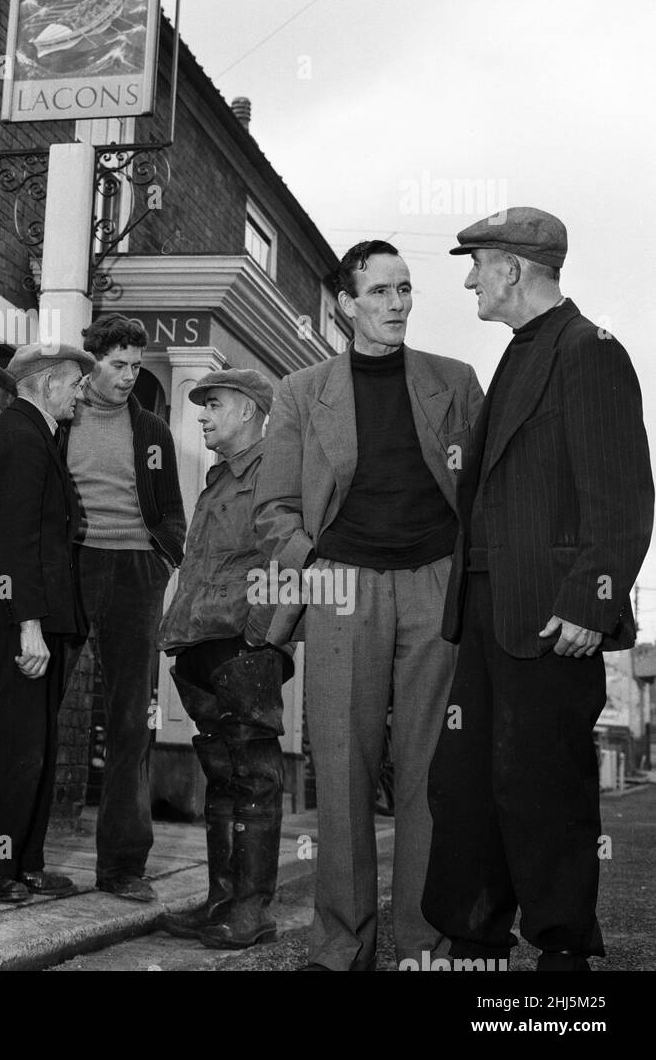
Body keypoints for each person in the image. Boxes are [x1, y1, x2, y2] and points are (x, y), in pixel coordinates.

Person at [423, 208, 653, 972]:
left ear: (513, 270)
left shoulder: (589, 350)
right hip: (487, 611)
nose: (469, 279)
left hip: (553, 616)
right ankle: (473, 938)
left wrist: (590, 601)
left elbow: (621, 493)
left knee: (543, 787)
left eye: (477, 264)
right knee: (465, 782)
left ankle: (563, 954)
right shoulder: (522, 354)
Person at [254, 240, 482, 971]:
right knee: (345, 773)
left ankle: (425, 945)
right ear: (346, 304)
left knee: (431, 775)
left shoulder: (456, 381)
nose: (396, 305)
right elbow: (275, 510)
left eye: (405, 290)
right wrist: (312, 566)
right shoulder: (300, 391)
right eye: (380, 292)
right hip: (342, 587)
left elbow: (485, 494)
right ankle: (340, 949)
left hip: (435, 585)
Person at [0, 342, 94, 903]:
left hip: (35, 615)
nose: (82, 393)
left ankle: (21, 862)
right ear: (45, 383)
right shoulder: (19, 437)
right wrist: (28, 625)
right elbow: (14, 540)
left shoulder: (38, 436)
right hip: (19, 618)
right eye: (75, 384)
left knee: (35, 740)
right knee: (15, 741)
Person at [158, 369, 292, 949]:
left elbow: (284, 555)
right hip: (204, 646)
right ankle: (222, 900)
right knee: (222, 779)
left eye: (213, 405)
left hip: (242, 647)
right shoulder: (219, 480)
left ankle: (252, 908)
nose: (203, 416)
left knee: (254, 778)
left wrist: (259, 636)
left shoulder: (274, 472)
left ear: (248, 410)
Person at [62, 314, 185, 903]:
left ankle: (122, 867)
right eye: (119, 364)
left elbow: (172, 510)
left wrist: (162, 562)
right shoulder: (62, 416)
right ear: (93, 362)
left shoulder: (154, 429)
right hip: (76, 563)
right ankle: (21, 856)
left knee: (132, 719)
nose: (130, 376)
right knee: (45, 702)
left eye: (137, 365)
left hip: (138, 571)